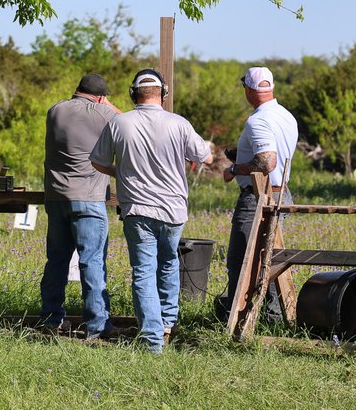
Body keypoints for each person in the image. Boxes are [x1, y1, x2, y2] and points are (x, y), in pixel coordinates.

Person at [90, 68, 212, 352]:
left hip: (138, 209)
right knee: (169, 263)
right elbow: (204, 155)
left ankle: (152, 339)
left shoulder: (120, 123)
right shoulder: (179, 123)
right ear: (163, 93)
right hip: (173, 210)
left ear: (133, 93)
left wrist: (121, 170)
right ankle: (168, 322)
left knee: (144, 271)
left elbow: (97, 161)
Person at [39, 73, 120, 339]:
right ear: (100, 97)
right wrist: (108, 106)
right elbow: (133, 122)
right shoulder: (102, 113)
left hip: (56, 197)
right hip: (88, 198)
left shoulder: (55, 110)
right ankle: (97, 325)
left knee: (57, 260)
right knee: (92, 261)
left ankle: (51, 319)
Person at [215, 66, 299, 324]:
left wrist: (234, 168)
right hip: (280, 193)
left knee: (241, 261)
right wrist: (237, 153)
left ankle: (238, 320)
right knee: (268, 259)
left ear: (249, 89)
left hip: (258, 197)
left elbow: (267, 161)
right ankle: (273, 317)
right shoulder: (285, 115)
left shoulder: (258, 120)